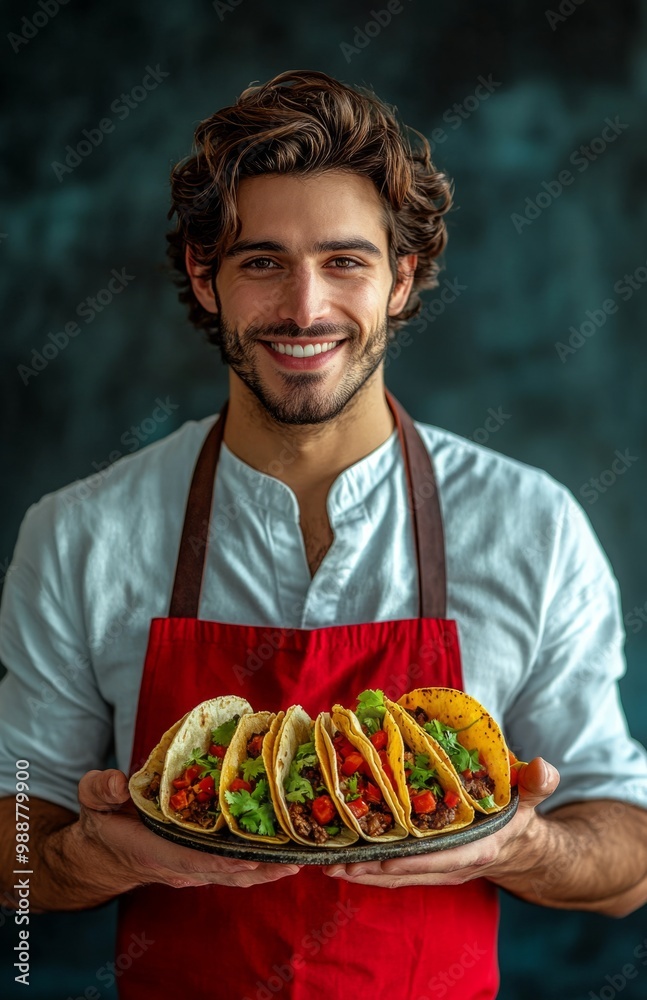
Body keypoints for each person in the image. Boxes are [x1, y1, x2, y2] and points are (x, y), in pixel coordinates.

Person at [1, 68, 646, 1000]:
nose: (304, 307)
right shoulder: (78, 534)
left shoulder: (530, 527)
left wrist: (524, 843)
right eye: (261, 260)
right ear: (202, 275)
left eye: (345, 260)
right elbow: (17, 852)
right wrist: (94, 857)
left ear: (402, 278)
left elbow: (628, 860)